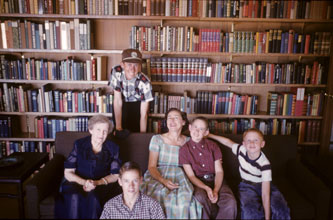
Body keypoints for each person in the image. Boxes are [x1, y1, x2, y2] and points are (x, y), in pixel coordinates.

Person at [208, 128, 290, 220]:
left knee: (281, 208)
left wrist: (267, 218)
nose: (252, 143)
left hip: (265, 186)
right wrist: (209, 135)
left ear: (262, 144)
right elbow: (227, 142)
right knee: (249, 212)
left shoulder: (265, 164)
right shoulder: (241, 150)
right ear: (244, 144)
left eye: (256, 140)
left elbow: (265, 194)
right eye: (248, 140)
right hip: (246, 186)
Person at [55, 115, 122, 219]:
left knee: (94, 199)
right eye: (98, 130)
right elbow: (68, 172)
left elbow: (115, 175)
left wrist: (97, 182)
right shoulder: (79, 144)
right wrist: (84, 182)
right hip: (78, 181)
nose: (101, 134)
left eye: (105, 131)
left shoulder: (113, 148)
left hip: (101, 184)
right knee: (74, 197)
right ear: (91, 130)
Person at [140, 108, 202, 219]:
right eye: (169, 118)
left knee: (184, 200)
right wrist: (163, 181)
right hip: (158, 175)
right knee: (157, 195)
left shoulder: (189, 141)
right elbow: (151, 166)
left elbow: (204, 138)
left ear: (183, 122)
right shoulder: (157, 139)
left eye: (176, 118)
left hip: (181, 176)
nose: (172, 120)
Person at [179, 116, 237, 219]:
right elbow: (191, 176)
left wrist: (215, 189)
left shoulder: (213, 146)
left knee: (230, 201)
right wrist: (206, 188)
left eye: (201, 129)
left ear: (206, 132)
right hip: (198, 181)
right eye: (195, 127)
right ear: (190, 127)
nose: (197, 131)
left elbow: (219, 171)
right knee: (200, 198)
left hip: (216, 179)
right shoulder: (184, 150)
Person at [109, 48, 153, 138]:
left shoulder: (145, 82)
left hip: (138, 105)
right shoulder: (116, 71)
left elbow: (144, 113)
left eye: (136, 65)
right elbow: (117, 100)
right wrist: (118, 128)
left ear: (140, 66)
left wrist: (142, 137)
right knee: (118, 134)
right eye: (129, 65)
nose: (132, 69)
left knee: (135, 135)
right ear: (122, 65)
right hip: (122, 101)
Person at [100, 161, 165, 219]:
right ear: (120, 182)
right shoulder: (110, 207)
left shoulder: (153, 206)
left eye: (135, 181)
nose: (131, 185)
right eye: (126, 181)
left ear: (141, 180)